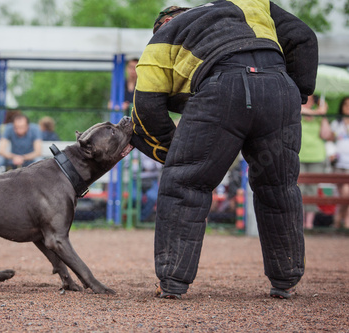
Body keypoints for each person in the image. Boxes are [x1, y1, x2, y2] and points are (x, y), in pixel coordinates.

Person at [130, 2, 318, 299]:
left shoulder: (162, 37)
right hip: (280, 89)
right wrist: (298, 92)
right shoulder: (249, 4)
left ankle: (173, 283)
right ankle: (286, 281)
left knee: (185, 184)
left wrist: (172, 154)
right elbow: (303, 37)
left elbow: (146, 111)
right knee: (278, 186)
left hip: (222, 89)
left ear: (165, 21)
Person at [299, 95, 331, 229]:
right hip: (299, 155)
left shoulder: (319, 115)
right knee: (298, 189)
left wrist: (323, 116)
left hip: (316, 156)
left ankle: (309, 223)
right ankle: (299, 222)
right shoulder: (298, 111)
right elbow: (299, 109)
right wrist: (318, 112)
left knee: (312, 190)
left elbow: (326, 135)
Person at [329, 96, 349, 229]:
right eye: (346, 104)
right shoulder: (336, 123)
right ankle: (343, 221)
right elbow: (330, 140)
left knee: (346, 194)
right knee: (344, 194)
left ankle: (340, 220)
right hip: (339, 163)